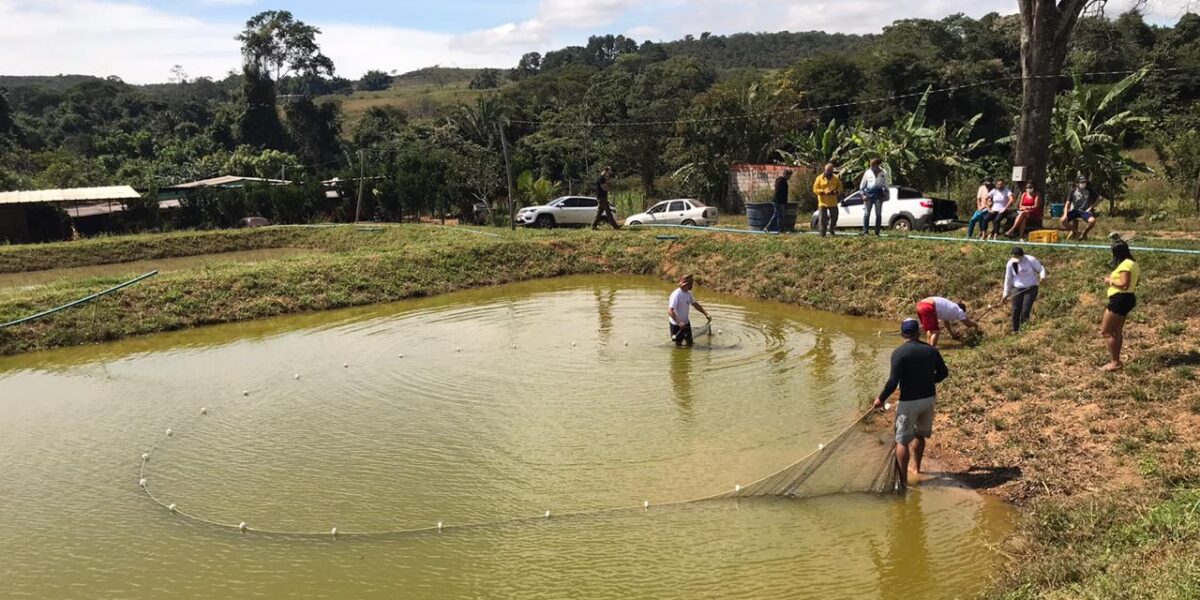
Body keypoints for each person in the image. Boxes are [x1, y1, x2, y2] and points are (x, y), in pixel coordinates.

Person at [873, 318, 949, 488]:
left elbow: (893, 381)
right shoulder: (931, 351)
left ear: (902, 333)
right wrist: (928, 381)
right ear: (918, 332)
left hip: (909, 402)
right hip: (928, 399)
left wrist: (881, 399)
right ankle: (916, 468)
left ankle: (904, 481)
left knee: (902, 440)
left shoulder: (899, 353)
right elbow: (943, 373)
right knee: (920, 435)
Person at [1100, 241, 1139, 371]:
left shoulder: (1125, 265)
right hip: (1127, 298)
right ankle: (1116, 360)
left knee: (1106, 331)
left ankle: (1115, 362)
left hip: (1119, 299)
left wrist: (1109, 281)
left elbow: (1124, 284)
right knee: (1117, 330)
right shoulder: (1133, 264)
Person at [1001, 246, 1047, 333]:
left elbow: (1041, 269)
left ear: (1022, 256)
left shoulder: (1030, 260)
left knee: (1025, 309)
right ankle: (1015, 330)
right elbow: (1008, 279)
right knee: (1015, 309)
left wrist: (1042, 277)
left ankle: (1023, 329)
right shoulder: (1010, 263)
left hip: (1031, 287)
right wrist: (1005, 294)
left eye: (1017, 257)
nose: (1015, 259)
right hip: (1017, 288)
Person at [668, 274, 711, 347]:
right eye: (691, 283)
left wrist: (705, 313)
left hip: (686, 322)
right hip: (676, 325)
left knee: (690, 343)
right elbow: (670, 311)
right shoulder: (676, 295)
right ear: (686, 284)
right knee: (678, 346)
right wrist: (679, 322)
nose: (692, 285)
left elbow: (695, 304)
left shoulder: (688, 294)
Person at [1062, 175, 1099, 241]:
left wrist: (1091, 207)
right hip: (1074, 211)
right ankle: (1077, 233)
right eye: (1082, 182)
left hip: (1084, 211)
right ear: (1077, 184)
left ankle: (1084, 233)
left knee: (1092, 221)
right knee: (1063, 220)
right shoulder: (1072, 191)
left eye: (1085, 182)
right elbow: (1067, 204)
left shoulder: (1089, 190)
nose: (1084, 184)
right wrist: (1065, 214)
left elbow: (1099, 198)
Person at [812, 162, 843, 237]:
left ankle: (831, 229)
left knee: (835, 217)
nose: (829, 172)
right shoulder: (819, 178)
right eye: (828, 170)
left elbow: (840, 187)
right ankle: (822, 234)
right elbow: (815, 189)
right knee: (822, 219)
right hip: (823, 202)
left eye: (831, 171)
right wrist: (823, 191)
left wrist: (836, 191)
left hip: (833, 202)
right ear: (825, 170)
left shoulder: (836, 178)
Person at [858, 158, 888, 236]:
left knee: (878, 214)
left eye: (873, 165)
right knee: (866, 214)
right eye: (871, 165)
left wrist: (886, 195)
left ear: (877, 165)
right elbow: (862, 185)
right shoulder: (867, 173)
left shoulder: (883, 173)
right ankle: (865, 231)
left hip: (879, 196)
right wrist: (863, 195)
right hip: (868, 196)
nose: (871, 167)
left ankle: (877, 232)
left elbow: (886, 185)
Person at [591, 166, 621, 230]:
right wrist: (609, 189)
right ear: (606, 171)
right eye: (609, 172)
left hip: (602, 197)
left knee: (599, 213)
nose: (609, 173)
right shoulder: (601, 178)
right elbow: (603, 187)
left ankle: (593, 226)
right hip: (602, 197)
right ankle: (615, 226)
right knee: (608, 212)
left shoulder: (603, 178)